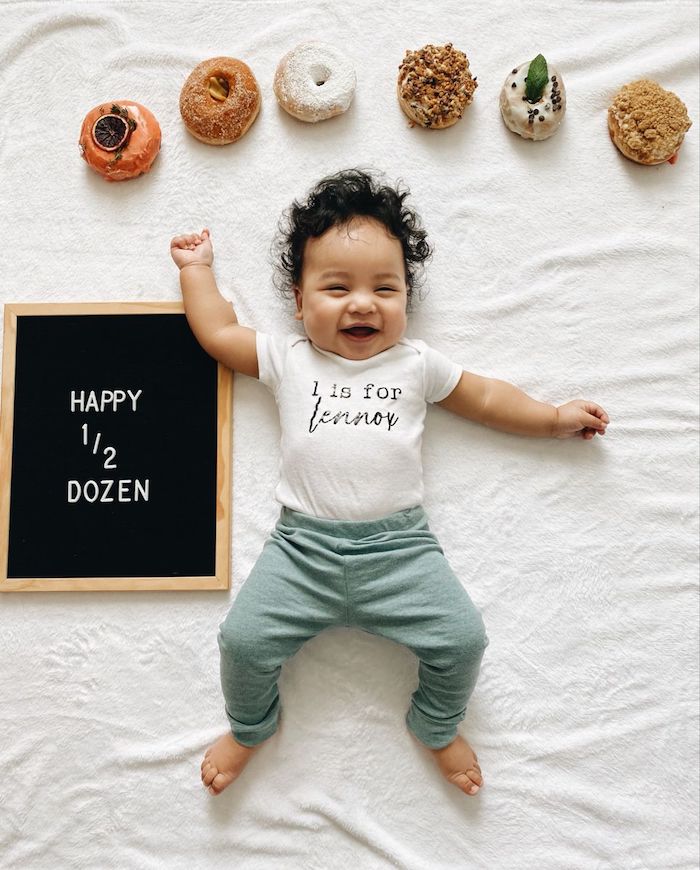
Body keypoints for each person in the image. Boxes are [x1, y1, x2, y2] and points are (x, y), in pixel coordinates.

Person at [170, 168, 609, 798]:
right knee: (241, 642)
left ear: (406, 297)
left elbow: (487, 398)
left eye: (385, 287)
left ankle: (435, 725)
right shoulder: (290, 358)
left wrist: (553, 419)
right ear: (299, 301)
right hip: (302, 552)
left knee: (463, 640)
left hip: (402, 552)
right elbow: (218, 334)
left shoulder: (416, 364)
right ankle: (250, 727)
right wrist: (197, 272)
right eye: (336, 287)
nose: (362, 304)